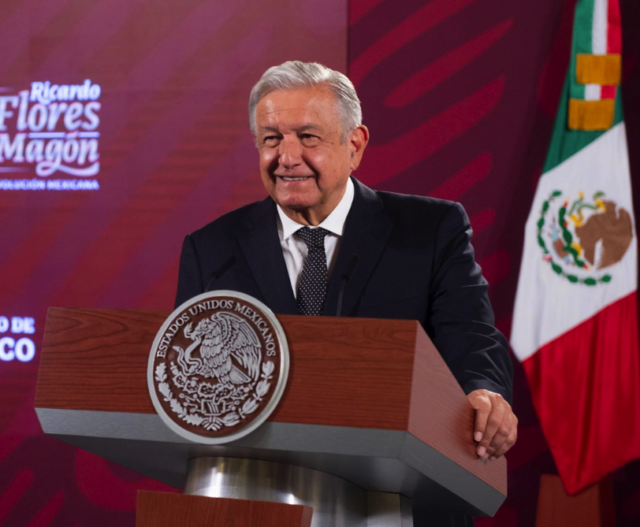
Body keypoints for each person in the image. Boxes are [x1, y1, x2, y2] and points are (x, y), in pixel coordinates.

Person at [175, 61, 517, 524]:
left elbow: (471, 336)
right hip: (255, 499)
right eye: (271, 139)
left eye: (308, 137)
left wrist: (483, 393)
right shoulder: (212, 248)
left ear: (354, 145)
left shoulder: (430, 231)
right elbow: (184, 377)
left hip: (400, 501)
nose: (287, 157)